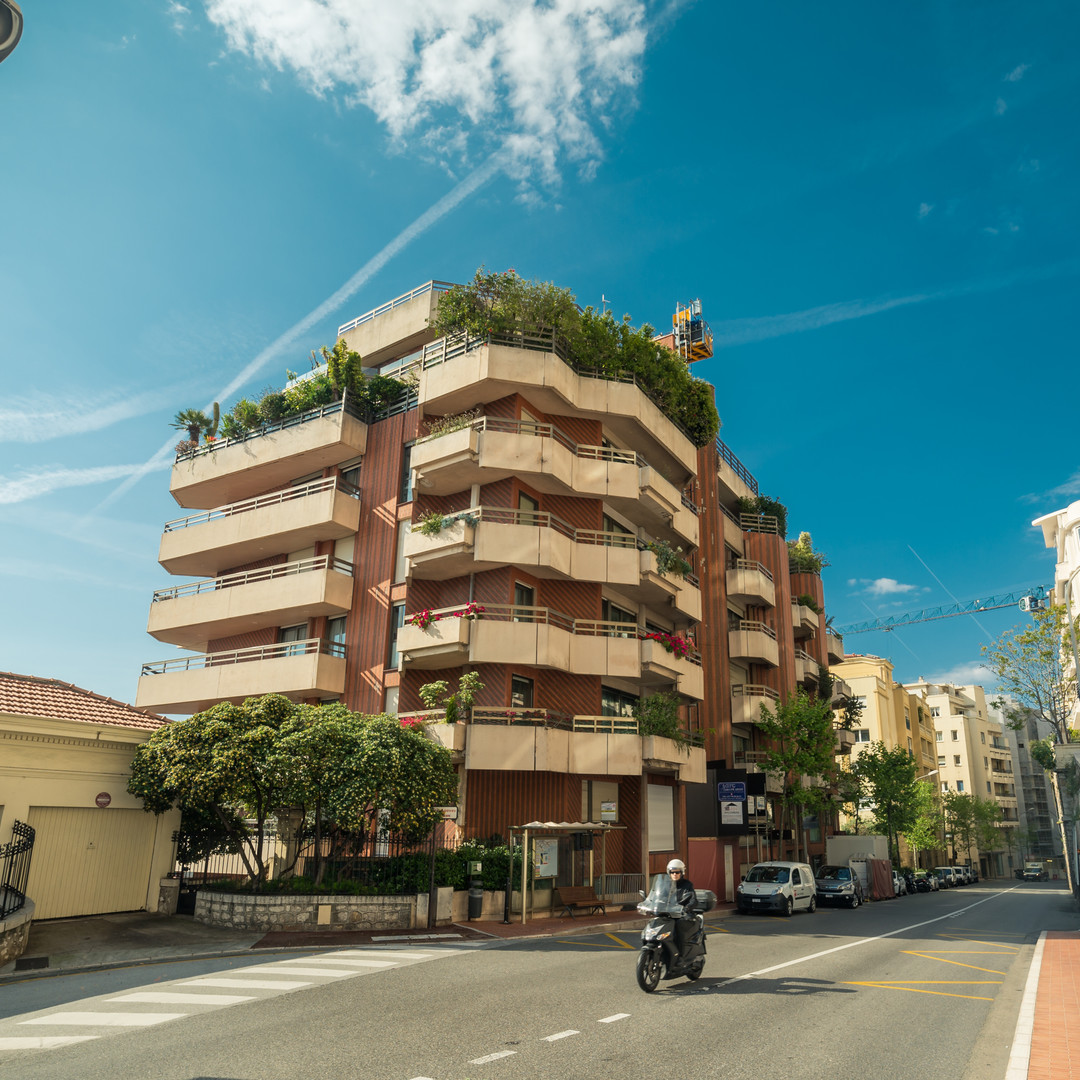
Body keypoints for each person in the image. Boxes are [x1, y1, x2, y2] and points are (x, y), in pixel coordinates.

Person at [666, 859, 699, 961]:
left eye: (677, 872)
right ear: (669, 873)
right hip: (668, 914)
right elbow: (657, 897)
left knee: (679, 929)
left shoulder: (687, 885)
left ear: (682, 873)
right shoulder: (666, 885)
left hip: (682, 915)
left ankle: (681, 956)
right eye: (672, 872)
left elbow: (693, 900)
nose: (675, 874)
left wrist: (687, 908)